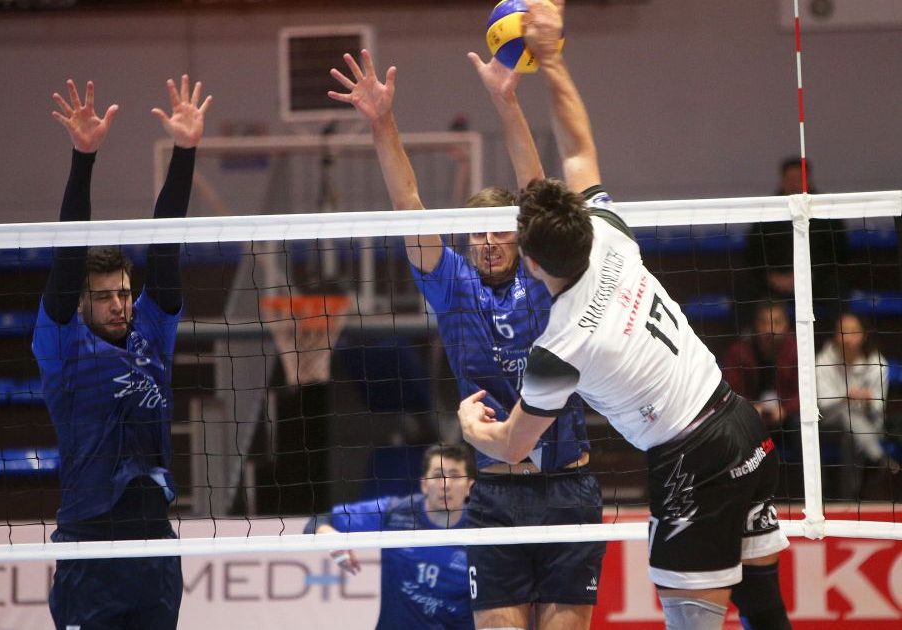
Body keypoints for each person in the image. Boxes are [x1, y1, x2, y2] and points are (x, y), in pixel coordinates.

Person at [457, 2, 791, 629]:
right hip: (739, 422)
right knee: (763, 606)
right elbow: (577, 150)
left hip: (691, 459)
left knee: (692, 619)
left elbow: (515, 444)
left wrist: (471, 427)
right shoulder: (609, 234)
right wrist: (546, 63)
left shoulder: (560, 346)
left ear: (531, 261)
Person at [328, 45, 604, 630]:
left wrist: (506, 101)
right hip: (497, 495)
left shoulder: (545, 276)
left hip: (567, 487)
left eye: (499, 231)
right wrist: (382, 122)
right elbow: (408, 203)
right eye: (477, 232)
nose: (487, 241)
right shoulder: (452, 283)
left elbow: (537, 188)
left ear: (521, 238)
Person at [32, 76, 211, 630]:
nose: (118, 305)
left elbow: (165, 249)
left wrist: (185, 151)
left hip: (155, 548)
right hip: (89, 545)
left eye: (124, 294)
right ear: (80, 303)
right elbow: (67, 259)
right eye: (105, 296)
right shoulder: (63, 344)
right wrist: (83, 158)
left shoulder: (151, 334)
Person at [306, 444, 477, 629]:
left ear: (469, 486)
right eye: (437, 475)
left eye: (455, 476)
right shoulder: (393, 512)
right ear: (424, 484)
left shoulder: (482, 530)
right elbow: (318, 522)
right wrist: (330, 537)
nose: (446, 485)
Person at [737, 157, 848, 332]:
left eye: (799, 179)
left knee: (838, 288)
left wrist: (809, 275)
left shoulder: (825, 209)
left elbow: (839, 252)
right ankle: (745, 340)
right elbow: (753, 253)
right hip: (775, 283)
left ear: (809, 181)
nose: (795, 184)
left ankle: (841, 336)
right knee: (745, 289)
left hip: (815, 281)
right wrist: (773, 276)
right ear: (782, 181)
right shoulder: (766, 210)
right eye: (790, 179)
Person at [816, 311, 895, 499]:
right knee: (846, 413)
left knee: (851, 436)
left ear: (864, 335)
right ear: (835, 335)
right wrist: (846, 396)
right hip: (828, 424)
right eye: (842, 332)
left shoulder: (877, 363)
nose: (847, 338)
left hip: (865, 426)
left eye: (853, 332)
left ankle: (848, 498)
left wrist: (868, 400)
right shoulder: (823, 359)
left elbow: (879, 409)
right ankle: (878, 457)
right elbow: (822, 403)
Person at [721, 302, 799, 430]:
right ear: (756, 324)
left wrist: (785, 410)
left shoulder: (797, 350)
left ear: (786, 324)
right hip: (749, 417)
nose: (770, 329)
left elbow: (806, 393)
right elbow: (730, 394)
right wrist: (750, 408)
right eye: (764, 322)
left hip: (787, 417)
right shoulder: (738, 352)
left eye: (777, 322)